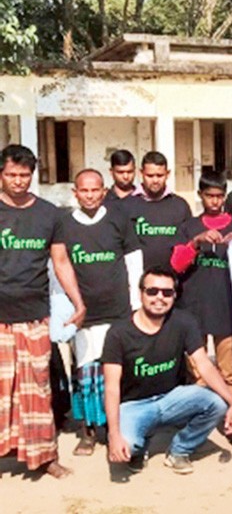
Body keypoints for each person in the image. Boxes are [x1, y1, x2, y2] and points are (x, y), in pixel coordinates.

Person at [0, 144, 86, 478]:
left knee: (38, 387)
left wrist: (78, 302)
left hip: (34, 314)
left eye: (24, 175)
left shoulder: (50, 214)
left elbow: (61, 261)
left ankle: (44, 456)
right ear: (1, 174)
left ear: (33, 175)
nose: (18, 181)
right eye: (11, 175)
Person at [102, 267, 232, 474]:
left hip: (172, 398)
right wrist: (113, 434)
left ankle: (180, 450)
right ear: (140, 293)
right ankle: (140, 447)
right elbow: (111, 387)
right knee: (127, 447)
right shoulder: (118, 333)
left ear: (174, 296)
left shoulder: (184, 322)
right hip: (134, 404)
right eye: (152, 291)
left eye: (167, 293)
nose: (160, 297)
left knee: (217, 404)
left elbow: (203, 364)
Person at [60, 169, 143, 457]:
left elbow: (134, 262)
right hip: (84, 315)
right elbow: (59, 267)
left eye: (95, 190)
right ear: (75, 192)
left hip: (118, 312)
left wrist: (135, 304)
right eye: (84, 191)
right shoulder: (65, 224)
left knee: (114, 374)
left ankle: (114, 429)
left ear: (104, 191)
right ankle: (88, 432)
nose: (90, 196)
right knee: (84, 374)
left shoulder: (118, 219)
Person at [170, 170, 232, 451]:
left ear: (225, 196)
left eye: (219, 196)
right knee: (197, 376)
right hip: (193, 310)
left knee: (230, 374)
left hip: (228, 309)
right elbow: (176, 265)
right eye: (209, 196)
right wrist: (196, 242)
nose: (215, 202)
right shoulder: (188, 226)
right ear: (200, 195)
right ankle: (197, 429)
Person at [118, 151, 192, 270]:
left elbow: (188, 246)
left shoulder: (180, 206)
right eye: (150, 176)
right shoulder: (125, 206)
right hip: (138, 280)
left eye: (159, 175)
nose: (155, 180)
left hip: (172, 280)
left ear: (167, 174)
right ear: (141, 173)